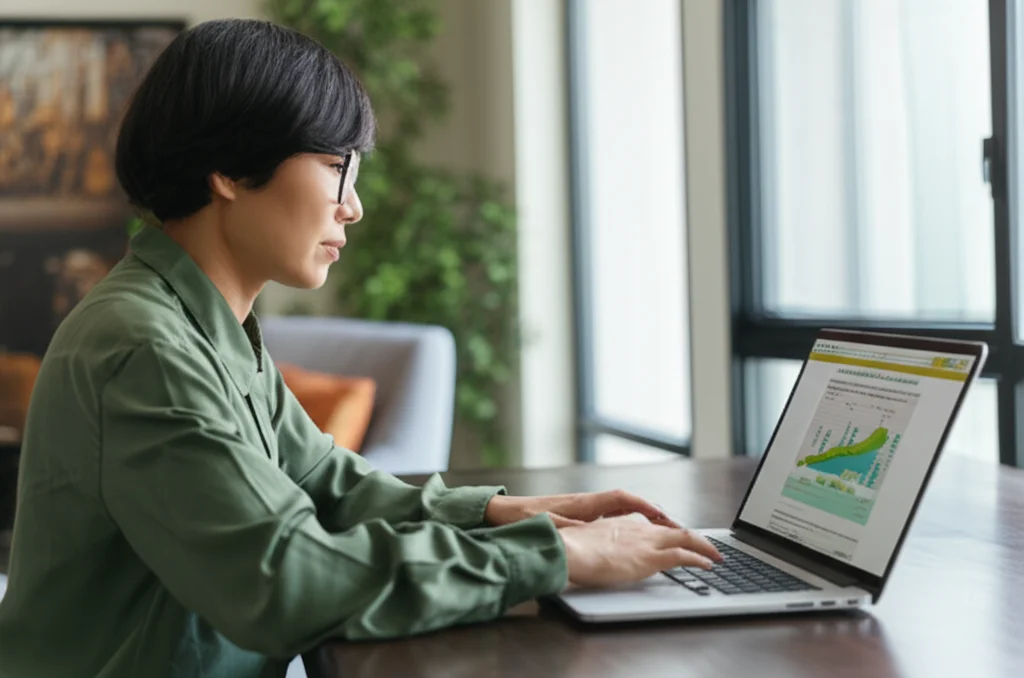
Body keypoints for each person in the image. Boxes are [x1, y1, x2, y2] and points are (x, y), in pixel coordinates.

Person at [0, 19, 720, 678]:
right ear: (227, 168)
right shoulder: (144, 347)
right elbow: (281, 580)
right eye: (337, 165)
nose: (355, 204)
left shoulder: (205, 325)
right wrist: (555, 556)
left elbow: (327, 485)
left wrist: (511, 513)